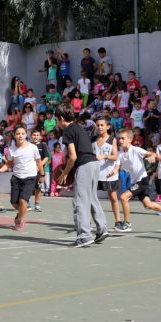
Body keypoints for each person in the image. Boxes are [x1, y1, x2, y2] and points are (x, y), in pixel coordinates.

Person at [56, 104, 109, 247]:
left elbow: (73, 156)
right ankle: (102, 229)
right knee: (92, 198)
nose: (56, 123)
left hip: (84, 165)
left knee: (80, 201)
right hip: (94, 163)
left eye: (56, 119)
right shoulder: (79, 127)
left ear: (61, 118)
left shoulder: (67, 130)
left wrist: (65, 173)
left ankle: (84, 236)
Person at [117, 129, 161, 229]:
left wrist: (153, 156)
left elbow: (153, 154)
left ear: (130, 139)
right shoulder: (120, 154)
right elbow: (116, 166)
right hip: (136, 181)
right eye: (119, 138)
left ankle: (127, 224)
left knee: (124, 197)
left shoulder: (136, 150)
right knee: (148, 204)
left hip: (142, 180)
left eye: (122, 138)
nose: (120, 140)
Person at [0, 123, 43, 231]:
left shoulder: (33, 148)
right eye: (18, 134)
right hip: (16, 177)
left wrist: (42, 175)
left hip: (30, 177)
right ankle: (22, 211)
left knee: (23, 201)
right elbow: (9, 164)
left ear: (26, 134)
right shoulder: (11, 149)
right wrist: (1, 170)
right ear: (14, 135)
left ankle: (19, 219)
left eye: (22, 133)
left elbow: (39, 161)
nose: (20, 136)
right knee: (14, 202)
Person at [92, 116, 123, 231]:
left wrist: (104, 156)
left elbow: (115, 156)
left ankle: (118, 221)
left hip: (108, 174)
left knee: (113, 197)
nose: (99, 127)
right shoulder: (93, 139)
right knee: (90, 198)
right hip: (95, 173)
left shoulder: (112, 140)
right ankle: (88, 221)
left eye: (102, 125)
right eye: (98, 125)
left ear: (108, 127)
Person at [30, 129, 49, 212]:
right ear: (31, 136)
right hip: (29, 170)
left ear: (40, 137)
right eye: (34, 135)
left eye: (37, 135)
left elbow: (46, 158)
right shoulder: (28, 145)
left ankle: (37, 205)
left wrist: (39, 165)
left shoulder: (43, 146)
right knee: (28, 187)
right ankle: (27, 203)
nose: (35, 137)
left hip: (39, 171)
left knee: (38, 188)